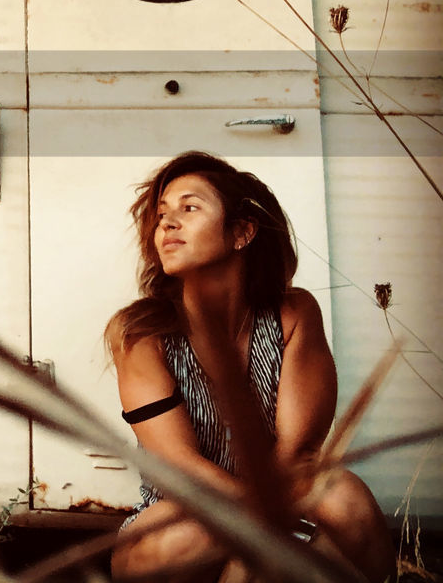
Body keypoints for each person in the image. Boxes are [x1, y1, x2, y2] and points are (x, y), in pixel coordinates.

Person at [105, 151, 394, 582]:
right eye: (162, 212)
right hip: (181, 520)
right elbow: (180, 466)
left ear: (241, 232)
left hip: (284, 502)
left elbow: (296, 453)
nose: (166, 223)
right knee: (185, 540)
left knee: (344, 496)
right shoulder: (140, 332)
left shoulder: (293, 314)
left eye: (190, 207)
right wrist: (272, 527)